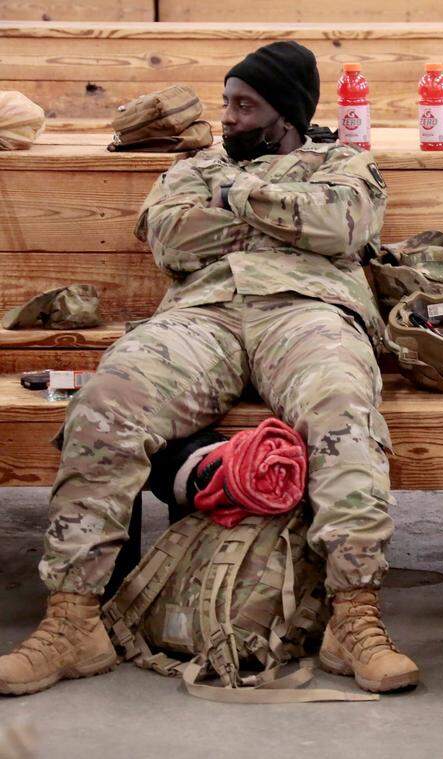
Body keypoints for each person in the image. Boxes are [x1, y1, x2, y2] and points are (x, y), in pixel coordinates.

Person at [0, 41, 419, 696]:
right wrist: (284, 216)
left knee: (342, 404)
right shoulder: (197, 166)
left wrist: (236, 195)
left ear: (285, 113)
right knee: (108, 398)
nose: (226, 117)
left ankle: (353, 617)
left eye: (244, 105)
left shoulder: (342, 163)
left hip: (306, 311)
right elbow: (169, 238)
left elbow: (342, 226)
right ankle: (73, 621)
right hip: (203, 317)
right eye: (225, 101)